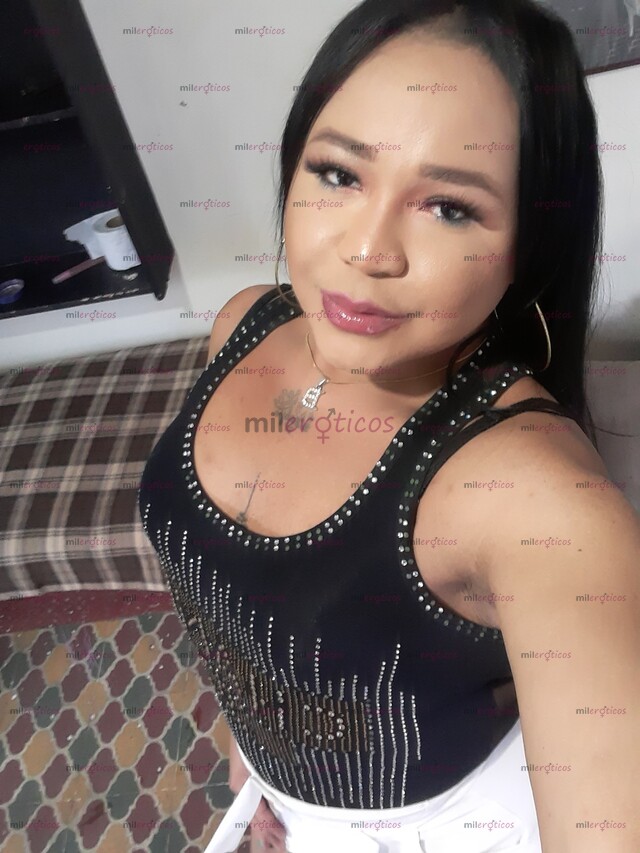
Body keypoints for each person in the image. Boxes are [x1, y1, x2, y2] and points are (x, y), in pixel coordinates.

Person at [138, 0, 640, 850]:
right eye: (340, 174)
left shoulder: (541, 504)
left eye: (449, 207)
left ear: (529, 244)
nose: (368, 250)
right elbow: (231, 601)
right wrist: (260, 761)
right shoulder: (243, 324)